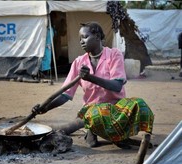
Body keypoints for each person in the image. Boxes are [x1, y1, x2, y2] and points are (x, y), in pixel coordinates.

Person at [33, 21, 154, 149]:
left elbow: (117, 86)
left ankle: (113, 135)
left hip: (116, 110)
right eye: (80, 39)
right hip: (92, 112)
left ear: (97, 36)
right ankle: (97, 132)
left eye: (85, 37)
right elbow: (65, 95)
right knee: (96, 112)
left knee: (139, 104)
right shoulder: (79, 62)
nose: (81, 41)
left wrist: (90, 78)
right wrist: (45, 108)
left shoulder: (114, 55)